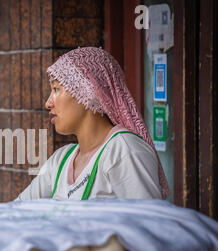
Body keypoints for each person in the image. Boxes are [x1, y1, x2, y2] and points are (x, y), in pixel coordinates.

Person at [16, 47, 169, 201]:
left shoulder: (123, 150)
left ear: (88, 92)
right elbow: (18, 209)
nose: (48, 103)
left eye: (56, 89)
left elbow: (148, 221)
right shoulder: (60, 160)